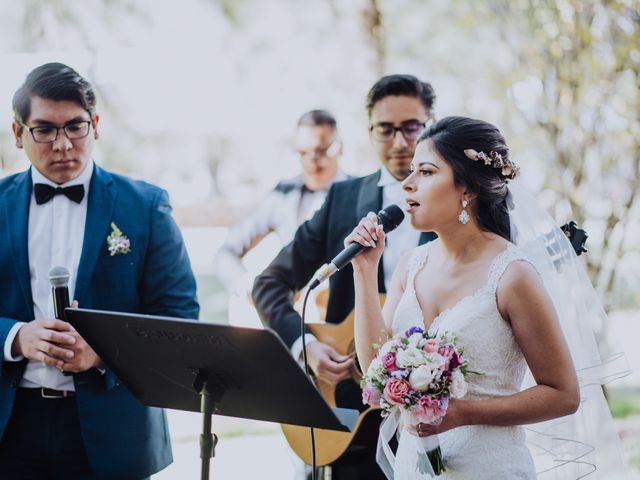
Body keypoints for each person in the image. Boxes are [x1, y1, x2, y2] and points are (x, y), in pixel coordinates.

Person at [348, 116, 630, 479]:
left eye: (426, 172)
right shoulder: (410, 265)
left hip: (488, 467)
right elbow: (375, 365)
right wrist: (364, 272)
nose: (407, 184)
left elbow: (563, 394)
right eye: (411, 172)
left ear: (467, 190)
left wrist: (463, 413)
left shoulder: (513, 275)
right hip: (414, 468)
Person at [0, 63, 199, 480]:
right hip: (10, 427)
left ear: (96, 126)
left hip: (113, 433)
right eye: (44, 129)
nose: (62, 144)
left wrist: (102, 353)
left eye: (75, 127)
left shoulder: (145, 206)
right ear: (18, 134)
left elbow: (179, 320)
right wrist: (16, 337)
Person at [252, 74, 437, 480]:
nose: (400, 141)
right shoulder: (342, 198)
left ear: (431, 127)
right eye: (386, 129)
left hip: (438, 416)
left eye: (412, 127)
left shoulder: (459, 201)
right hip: (352, 417)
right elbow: (268, 283)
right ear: (370, 132)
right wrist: (307, 347)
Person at [213, 109, 348, 300]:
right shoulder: (282, 195)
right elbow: (225, 253)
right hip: (289, 315)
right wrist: (249, 286)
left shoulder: (361, 194)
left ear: (339, 148)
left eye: (320, 151)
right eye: (303, 153)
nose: (311, 162)